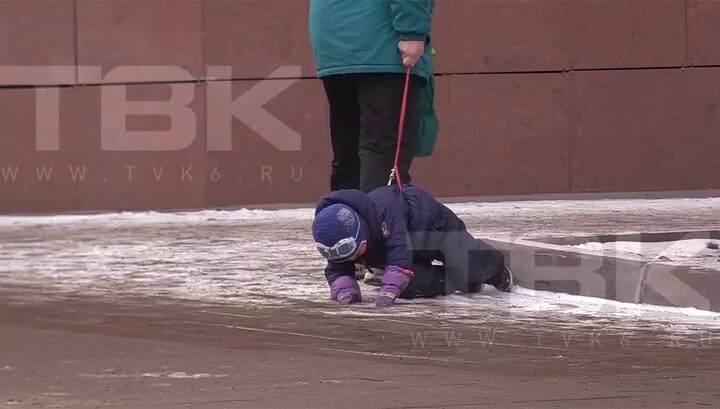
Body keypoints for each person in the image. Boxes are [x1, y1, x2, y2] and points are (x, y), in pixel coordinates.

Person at [310, 184, 514, 307]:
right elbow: (336, 267)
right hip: (406, 251)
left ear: (361, 232)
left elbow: (400, 252)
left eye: (350, 250)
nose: (351, 258)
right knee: (410, 286)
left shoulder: (386, 214)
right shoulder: (339, 234)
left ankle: (497, 270)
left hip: (434, 230)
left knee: (468, 263)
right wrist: (345, 289)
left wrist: (391, 285)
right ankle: (453, 281)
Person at [308, 0, 436, 192]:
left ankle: (346, 220)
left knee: (349, 154)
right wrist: (413, 31)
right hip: (383, 42)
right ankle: (381, 220)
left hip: (332, 38)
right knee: (383, 153)